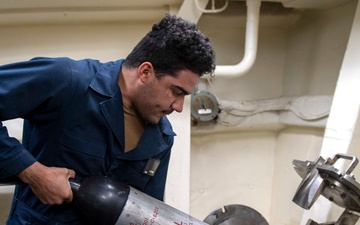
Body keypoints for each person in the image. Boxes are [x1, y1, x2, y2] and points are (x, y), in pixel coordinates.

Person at [0, 13, 215, 224]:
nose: (178, 107)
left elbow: (146, 215)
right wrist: (34, 173)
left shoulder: (161, 139)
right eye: (176, 92)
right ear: (146, 72)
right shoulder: (69, 81)